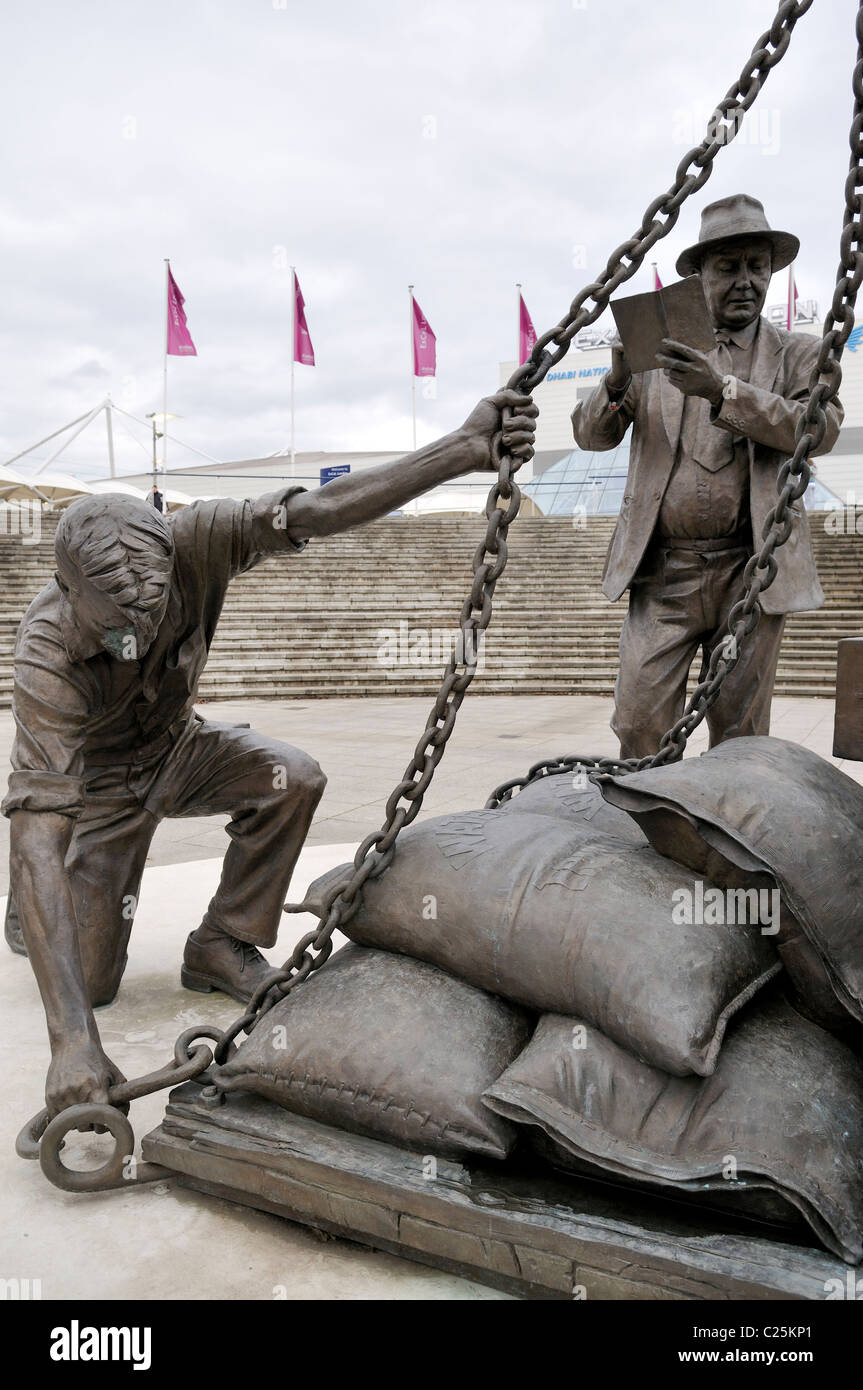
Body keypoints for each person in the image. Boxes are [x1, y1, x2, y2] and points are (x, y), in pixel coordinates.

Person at [4, 389, 536, 1117]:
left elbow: (316, 511)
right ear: (68, 592)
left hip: (177, 748)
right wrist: (71, 1039)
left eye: (151, 612)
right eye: (113, 622)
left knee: (291, 777)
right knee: (89, 985)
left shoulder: (196, 537)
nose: (135, 634)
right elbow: (35, 831)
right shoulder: (44, 657)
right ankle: (41, 910)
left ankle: (222, 941)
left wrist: (463, 449)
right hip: (95, 791)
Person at [572, 194, 843, 759]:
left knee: (740, 738)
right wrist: (617, 380)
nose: (746, 281)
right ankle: (649, 836)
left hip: (751, 570)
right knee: (638, 724)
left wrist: (721, 391)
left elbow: (817, 428)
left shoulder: (799, 354)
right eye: (728, 267)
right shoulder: (656, 348)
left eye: (757, 266)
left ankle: (723, 842)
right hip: (664, 576)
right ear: (697, 277)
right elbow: (590, 436)